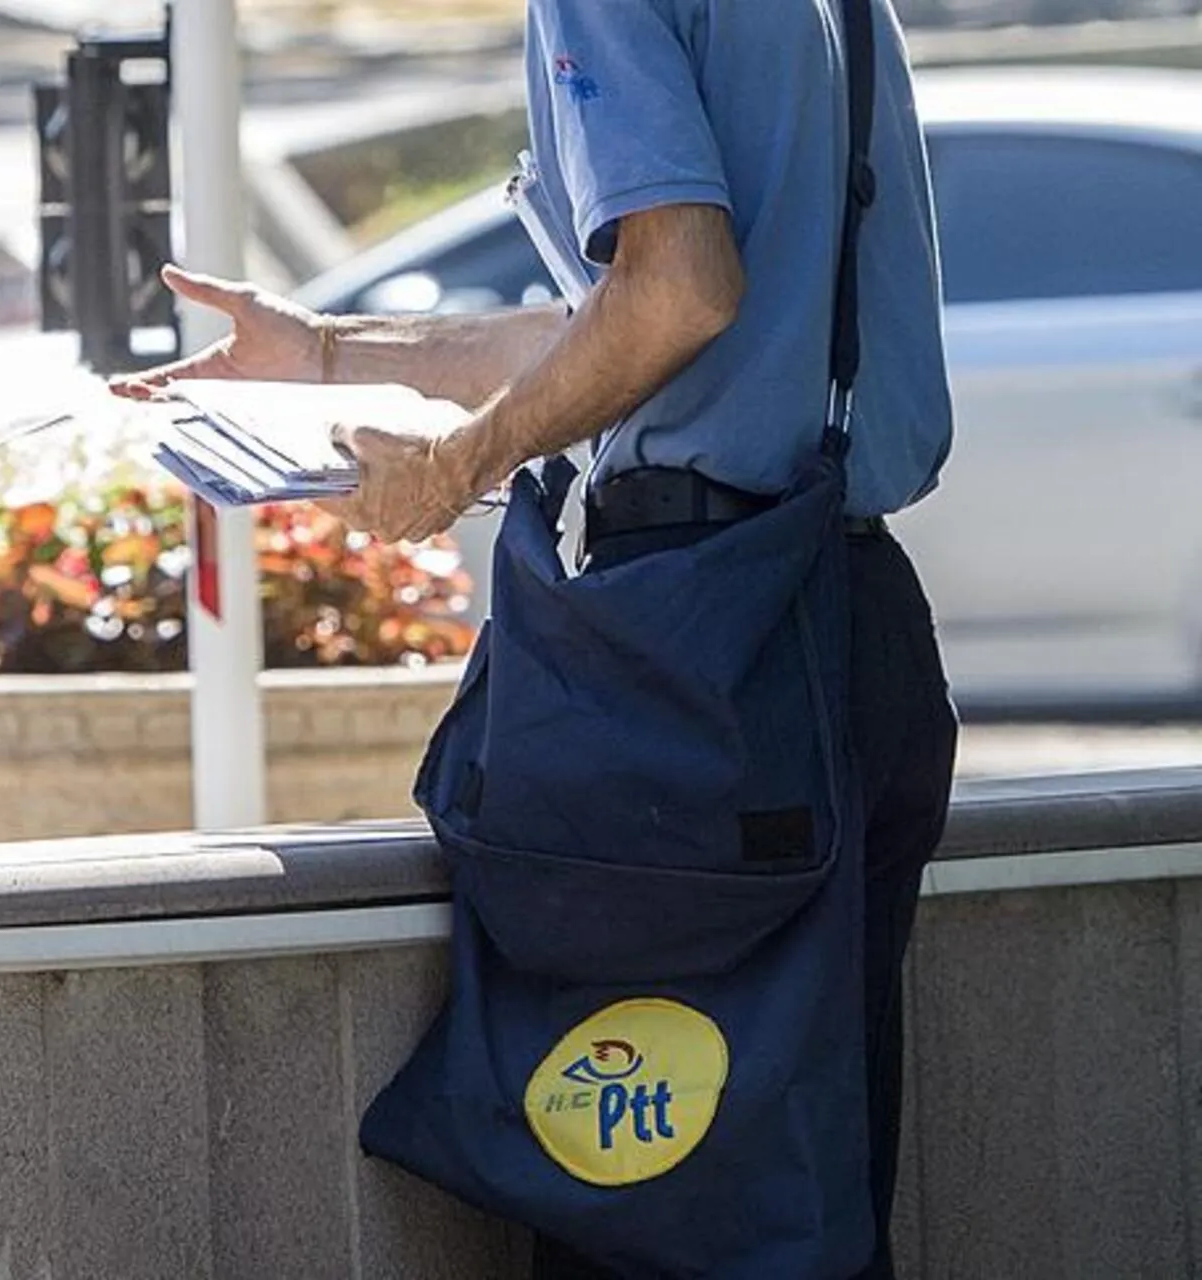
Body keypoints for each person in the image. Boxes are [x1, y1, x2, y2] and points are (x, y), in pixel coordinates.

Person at [113, 0, 957, 1272]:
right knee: (797, 1200)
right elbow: (638, 321)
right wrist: (333, 352)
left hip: (704, 646)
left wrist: (458, 465)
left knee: (644, 1215)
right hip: (849, 620)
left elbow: (678, 290)